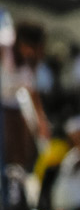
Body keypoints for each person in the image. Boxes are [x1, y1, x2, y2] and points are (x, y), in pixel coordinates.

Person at [2, 21, 50, 172]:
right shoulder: (4, 49)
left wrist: (41, 120)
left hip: (13, 106)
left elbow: (33, 93)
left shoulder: (30, 64)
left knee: (20, 146)